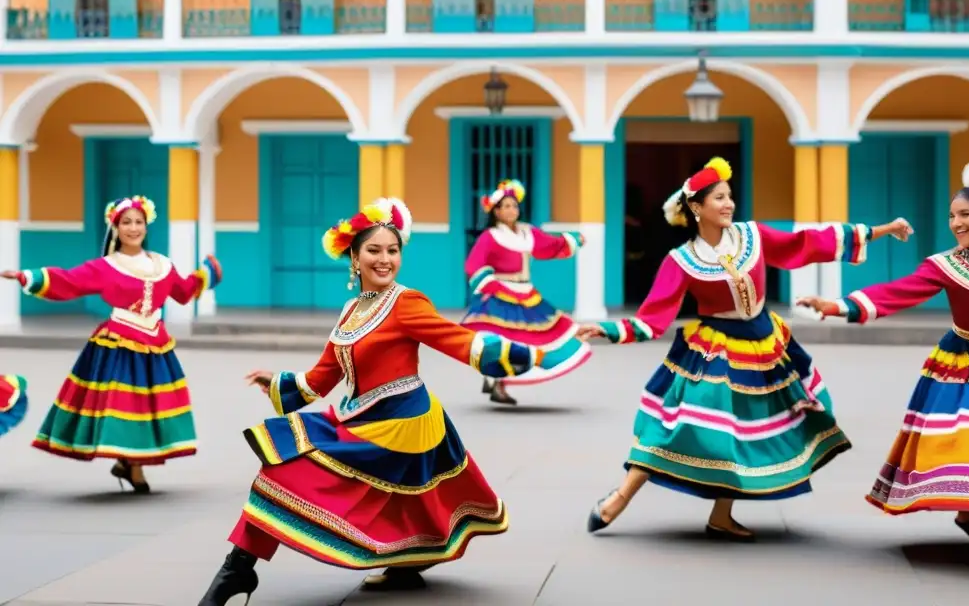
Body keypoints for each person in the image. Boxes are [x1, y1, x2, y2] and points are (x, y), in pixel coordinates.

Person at [198, 197, 545, 605]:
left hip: (402, 423)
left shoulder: (406, 302)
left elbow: (459, 341)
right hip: (359, 417)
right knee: (306, 474)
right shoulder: (352, 309)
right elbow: (324, 375)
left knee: (291, 472)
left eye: (393, 251)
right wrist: (279, 381)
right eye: (374, 250)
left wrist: (533, 353)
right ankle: (241, 568)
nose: (385, 260)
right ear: (354, 257)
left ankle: (237, 570)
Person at [576, 157, 914, 541]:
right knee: (678, 428)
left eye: (729, 196)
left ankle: (721, 514)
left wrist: (881, 230)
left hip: (765, 344)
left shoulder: (751, 236)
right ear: (696, 208)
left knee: (743, 434)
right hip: (713, 351)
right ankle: (618, 499)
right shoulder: (682, 260)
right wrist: (606, 329)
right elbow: (653, 318)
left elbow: (807, 242)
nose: (728, 204)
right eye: (718, 198)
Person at [797, 162, 969, 548]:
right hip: (967, 364)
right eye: (952, 216)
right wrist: (836, 306)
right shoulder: (947, 265)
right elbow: (895, 293)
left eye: (965, 215)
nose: (956, 223)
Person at [0, 195, 221, 493]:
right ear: (115, 227)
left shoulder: (162, 265)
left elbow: (182, 291)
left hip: (155, 344)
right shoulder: (107, 266)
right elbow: (69, 281)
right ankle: (133, 467)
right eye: (126, 222)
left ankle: (130, 464)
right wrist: (28, 277)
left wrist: (206, 274)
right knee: (124, 405)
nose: (133, 228)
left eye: (138, 222)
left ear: (146, 225)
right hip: (119, 343)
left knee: (147, 406)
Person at [462, 179, 591, 406]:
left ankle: (496, 379)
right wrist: (494, 286)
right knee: (506, 340)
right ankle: (496, 381)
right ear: (496, 212)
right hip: (501, 293)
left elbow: (550, 245)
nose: (512, 210)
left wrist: (572, 240)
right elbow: (474, 265)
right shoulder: (490, 236)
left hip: (527, 292)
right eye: (506, 206)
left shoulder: (527, 233)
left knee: (539, 336)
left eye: (514, 205)